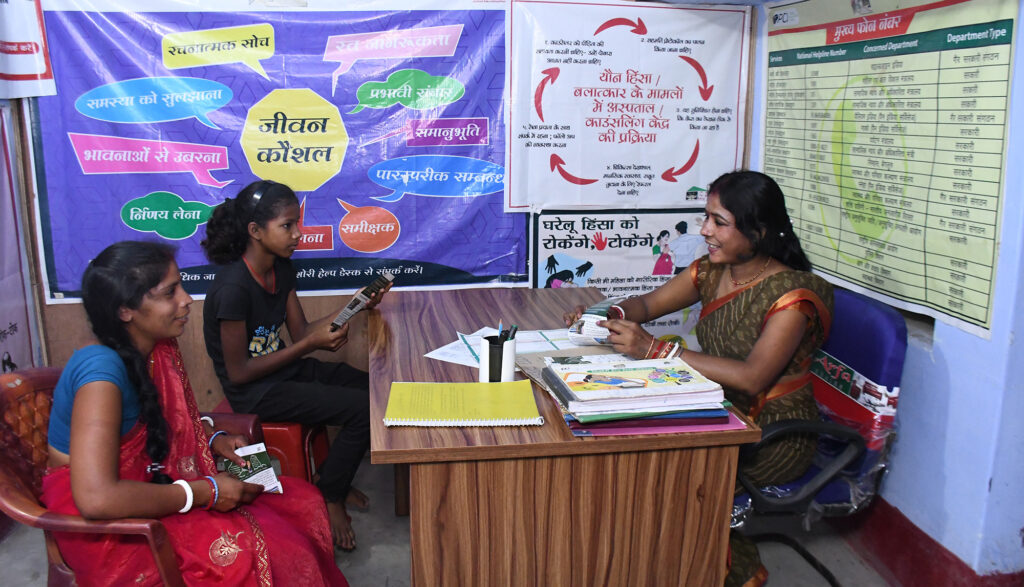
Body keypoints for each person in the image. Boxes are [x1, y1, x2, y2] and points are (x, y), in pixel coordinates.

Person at [564, 170, 833, 587]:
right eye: (706, 217)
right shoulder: (711, 271)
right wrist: (605, 315)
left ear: (759, 232)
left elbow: (752, 378)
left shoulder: (792, 296)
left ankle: (726, 568)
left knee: (672, 479)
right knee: (635, 457)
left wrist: (655, 351)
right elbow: (647, 305)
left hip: (772, 429)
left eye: (719, 222)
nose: (705, 230)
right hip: (715, 404)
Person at [42, 241, 347, 586]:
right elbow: (96, 499)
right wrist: (205, 492)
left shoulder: (154, 347)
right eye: (169, 292)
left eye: (182, 287)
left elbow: (161, 416)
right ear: (125, 310)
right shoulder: (100, 374)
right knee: (260, 552)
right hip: (109, 529)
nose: (186, 299)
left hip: (152, 486)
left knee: (301, 501)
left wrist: (212, 439)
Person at [201, 179, 388, 551]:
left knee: (372, 389)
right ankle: (330, 495)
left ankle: (331, 479)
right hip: (255, 392)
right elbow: (239, 372)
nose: (298, 234)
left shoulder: (281, 269)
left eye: (297, 224)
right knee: (361, 410)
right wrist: (307, 346)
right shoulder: (233, 289)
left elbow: (302, 331)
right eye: (287, 226)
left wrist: (354, 306)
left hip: (284, 372)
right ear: (255, 231)